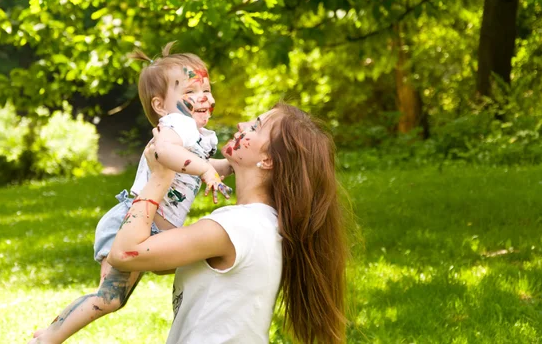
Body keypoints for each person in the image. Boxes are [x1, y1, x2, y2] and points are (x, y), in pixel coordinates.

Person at [30, 43, 232, 344]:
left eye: (206, 88)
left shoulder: (195, 133)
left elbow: (203, 161)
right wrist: (205, 171)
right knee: (108, 298)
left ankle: (48, 334)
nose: (203, 97)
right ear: (160, 106)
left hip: (152, 228)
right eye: (189, 92)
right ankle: (46, 338)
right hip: (133, 222)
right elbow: (164, 152)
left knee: (114, 297)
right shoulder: (178, 124)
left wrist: (228, 165)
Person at [108, 102, 350, 344]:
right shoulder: (261, 223)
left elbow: (123, 255)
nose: (241, 125)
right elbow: (160, 264)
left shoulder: (235, 227)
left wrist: (159, 177)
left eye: (255, 127)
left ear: (267, 160)